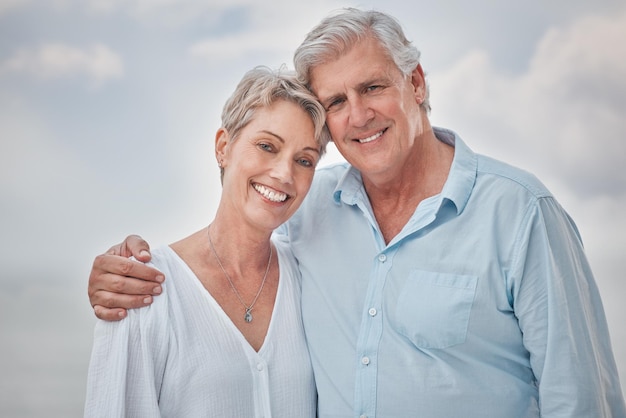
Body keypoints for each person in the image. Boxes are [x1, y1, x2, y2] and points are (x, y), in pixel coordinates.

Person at [87, 8, 626, 418]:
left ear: (415, 84)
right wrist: (126, 264)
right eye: (336, 102)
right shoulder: (309, 206)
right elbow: (236, 233)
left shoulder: (521, 212)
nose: (359, 115)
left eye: (372, 87)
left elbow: (580, 398)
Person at [84, 66, 330, 417]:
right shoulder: (144, 289)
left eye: (304, 160)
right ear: (223, 148)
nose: (284, 174)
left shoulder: (310, 278)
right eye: (266, 146)